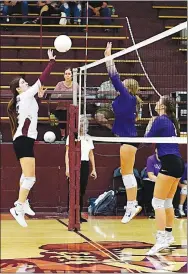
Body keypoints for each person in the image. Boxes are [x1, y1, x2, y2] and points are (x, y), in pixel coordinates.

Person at [7, 49, 56, 227]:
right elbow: (41, 80)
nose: (26, 83)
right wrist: (51, 62)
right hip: (23, 141)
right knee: (30, 178)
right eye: (23, 82)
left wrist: (40, 98)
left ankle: (23, 202)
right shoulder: (25, 95)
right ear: (18, 88)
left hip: (23, 141)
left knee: (25, 175)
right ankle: (18, 207)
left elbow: (32, 113)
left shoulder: (27, 99)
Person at [104, 42, 142, 224]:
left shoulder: (127, 96)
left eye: (124, 83)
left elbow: (114, 76)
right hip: (126, 138)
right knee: (126, 171)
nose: (122, 83)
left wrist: (108, 56)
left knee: (127, 172)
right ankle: (132, 204)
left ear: (127, 87)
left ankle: (132, 204)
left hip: (128, 139)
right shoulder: (125, 99)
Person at [145, 95, 184, 256]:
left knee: (157, 202)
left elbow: (147, 140)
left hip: (169, 163)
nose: (156, 103)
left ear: (163, 107)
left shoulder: (160, 120)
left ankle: (161, 239)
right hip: (178, 163)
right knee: (168, 202)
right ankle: (168, 235)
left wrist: (149, 124)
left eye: (158, 101)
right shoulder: (170, 121)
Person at [65, 115, 97, 222]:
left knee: (82, 190)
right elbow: (67, 153)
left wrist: (94, 169)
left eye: (84, 123)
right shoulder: (72, 137)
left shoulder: (88, 138)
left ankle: (78, 215)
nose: (82, 125)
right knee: (73, 189)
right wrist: (68, 168)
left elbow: (91, 154)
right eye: (80, 123)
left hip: (84, 164)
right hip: (75, 164)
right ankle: (71, 214)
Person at [52, 67, 78, 140]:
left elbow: (79, 95)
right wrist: (59, 96)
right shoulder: (59, 84)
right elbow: (53, 95)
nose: (67, 75)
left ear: (72, 76)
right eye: (66, 74)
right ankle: (63, 135)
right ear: (64, 75)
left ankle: (73, 134)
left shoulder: (75, 84)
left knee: (75, 115)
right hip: (61, 108)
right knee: (63, 115)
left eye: (69, 74)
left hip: (72, 108)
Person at [142, 149, 161, 218]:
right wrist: (160, 181)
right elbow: (150, 175)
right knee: (149, 186)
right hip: (151, 179)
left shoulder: (167, 159)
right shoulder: (151, 159)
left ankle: (174, 208)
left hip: (162, 179)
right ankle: (150, 210)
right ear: (156, 150)